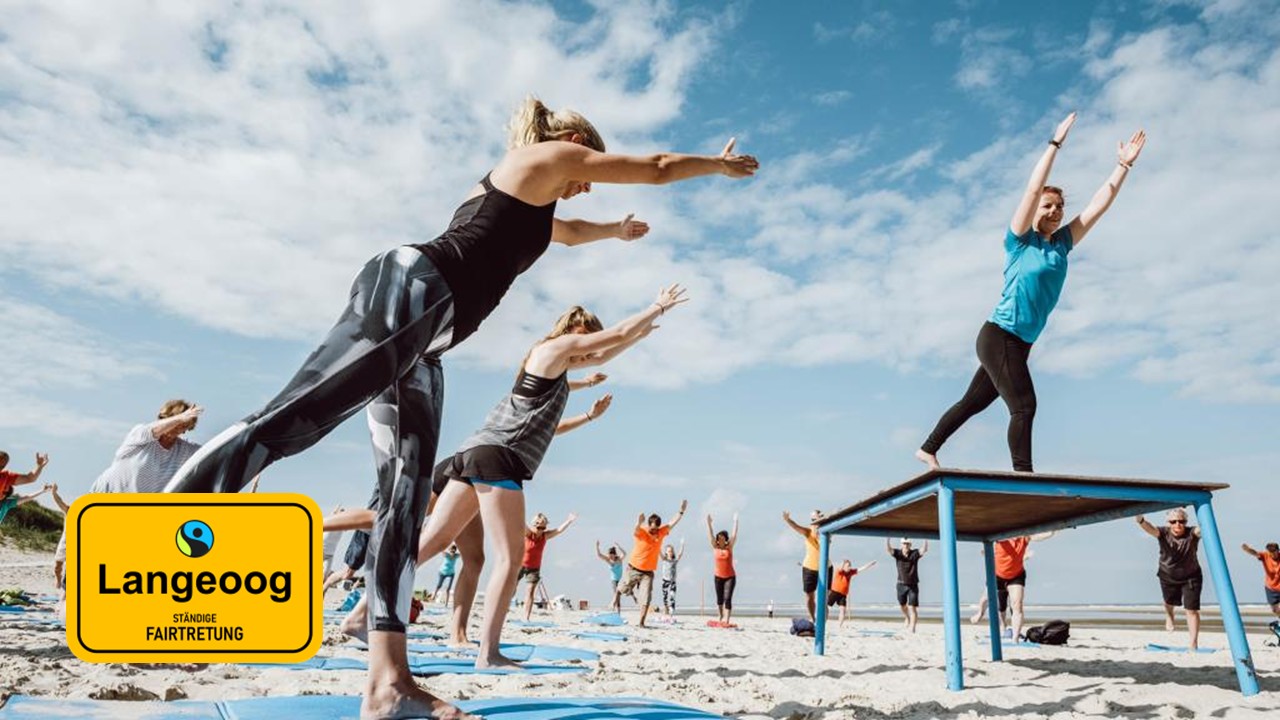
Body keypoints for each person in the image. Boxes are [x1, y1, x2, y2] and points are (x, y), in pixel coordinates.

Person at [163, 95, 757, 718]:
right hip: (414, 293)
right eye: (590, 160)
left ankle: (388, 684)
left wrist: (615, 232)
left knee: (404, 501)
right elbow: (658, 166)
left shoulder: (536, 207)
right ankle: (152, 541)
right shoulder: (542, 158)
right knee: (294, 421)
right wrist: (715, 169)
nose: (589, 180)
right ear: (576, 139)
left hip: (431, 335)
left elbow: (572, 234)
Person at [412, 291, 675, 668]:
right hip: (498, 457)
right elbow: (610, 338)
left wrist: (638, 336)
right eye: (584, 337)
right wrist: (656, 307)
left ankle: (367, 610)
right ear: (574, 328)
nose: (585, 350)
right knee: (510, 558)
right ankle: (488, 653)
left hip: (477, 451)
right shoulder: (554, 348)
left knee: (434, 542)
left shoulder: (554, 370)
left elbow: (603, 352)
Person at [917, 114, 1147, 472]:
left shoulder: (1063, 244)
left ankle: (928, 449)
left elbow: (1100, 205)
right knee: (1024, 406)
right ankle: (1024, 475)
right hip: (1000, 335)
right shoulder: (1019, 242)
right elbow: (1031, 189)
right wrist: (1055, 145)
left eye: (1059, 207)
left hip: (1019, 343)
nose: (1055, 212)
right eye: (1047, 206)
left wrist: (1122, 167)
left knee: (973, 402)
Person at [336, 379, 613, 648]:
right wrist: (587, 397)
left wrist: (588, 408)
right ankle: (322, 530)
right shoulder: (525, 405)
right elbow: (554, 397)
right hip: (464, 471)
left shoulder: (535, 413)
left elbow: (553, 424)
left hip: (475, 474)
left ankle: (457, 634)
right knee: (402, 525)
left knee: (472, 558)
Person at [98, 400, 204, 493]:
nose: (178, 427)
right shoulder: (140, 434)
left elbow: (211, 453)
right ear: (164, 419)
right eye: (175, 421)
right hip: (106, 498)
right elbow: (152, 430)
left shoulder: (186, 450)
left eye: (184, 425)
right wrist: (181, 418)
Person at [613, 500, 688, 628]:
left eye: (656, 528)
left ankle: (641, 623)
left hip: (648, 573)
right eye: (652, 528)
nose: (654, 531)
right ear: (649, 525)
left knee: (646, 598)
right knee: (622, 590)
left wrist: (681, 511)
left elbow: (672, 523)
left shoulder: (661, 532)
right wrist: (638, 522)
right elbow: (635, 529)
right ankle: (615, 599)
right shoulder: (642, 531)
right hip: (633, 568)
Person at [1138, 509, 1203, 650]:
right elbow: (1150, 529)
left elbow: (1202, 529)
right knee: (1169, 601)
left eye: (1181, 521)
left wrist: (1205, 518)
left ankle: (1193, 643)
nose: (1177, 525)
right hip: (1168, 575)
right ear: (1168, 523)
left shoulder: (1192, 533)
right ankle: (1169, 615)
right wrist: (1140, 520)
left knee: (1191, 610)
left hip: (1191, 576)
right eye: (1173, 522)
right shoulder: (1163, 532)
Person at [985, 532, 1054, 640]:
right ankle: (1003, 627)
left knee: (1017, 605)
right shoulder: (1001, 539)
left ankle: (1015, 637)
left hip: (1016, 576)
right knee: (1001, 606)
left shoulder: (1024, 538)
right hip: (999, 576)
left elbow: (1038, 536)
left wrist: (1053, 532)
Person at [518, 513, 578, 622]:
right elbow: (521, 522)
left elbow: (559, 530)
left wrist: (569, 521)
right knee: (511, 589)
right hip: (520, 565)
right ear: (533, 525)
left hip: (534, 568)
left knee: (530, 592)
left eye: (543, 527)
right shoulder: (528, 534)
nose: (540, 529)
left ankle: (526, 617)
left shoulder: (544, 536)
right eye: (538, 527)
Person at [782, 510, 827, 621]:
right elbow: (796, 527)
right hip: (809, 567)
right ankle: (813, 619)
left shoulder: (826, 531)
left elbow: (828, 540)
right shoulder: (808, 531)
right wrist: (788, 520)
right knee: (809, 596)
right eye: (813, 520)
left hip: (825, 567)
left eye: (817, 519)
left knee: (823, 597)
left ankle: (822, 622)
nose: (814, 522)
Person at [888, 538, 928, 633]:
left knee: (912, 607)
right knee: (902, 605)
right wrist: (887, 540)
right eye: (904, 544)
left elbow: (924, 550)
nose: (906, 545)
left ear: (910, 545)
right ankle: (907, 617)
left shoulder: (914, 553)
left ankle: (912, 628)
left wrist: (926, 539)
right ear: (901, 544)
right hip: (901, 584)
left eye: (907, 544)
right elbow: (889, 550)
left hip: (913, 585)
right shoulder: (898, 554)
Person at [706, 513, 739, 627]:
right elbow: (710, 535)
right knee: (719, 599)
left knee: (727, 598)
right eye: (718, 538)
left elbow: (734, 535)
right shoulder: (715, 547)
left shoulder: (729, 547)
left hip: (730, 577)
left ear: (725, 539)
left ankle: (727, 619)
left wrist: (735, 521)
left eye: (722, 538)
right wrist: (709, 523)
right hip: (718, 577)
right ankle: (721, 616)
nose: (720, 539)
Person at [826, 558, 877, 627]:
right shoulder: (839, 571)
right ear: (844, 567)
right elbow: (840, 568)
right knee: (826, 606)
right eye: (847, 566)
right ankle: (824, 620)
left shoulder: (851, 572)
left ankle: (839, 626)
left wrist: (870, 564)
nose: (849, 567)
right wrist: (843, 563)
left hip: (843, 594)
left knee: (843, 610)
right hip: (835, 592)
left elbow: (861, 569)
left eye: (850, 566)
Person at [1241, 542, 1280, 622]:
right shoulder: (1265, 556)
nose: (1272, 554)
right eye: (1270, 552)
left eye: (1274, 552)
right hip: (1270, 588)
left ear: (1278, 550)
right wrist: (1248, 549)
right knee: (1275, 610)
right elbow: (1255, 553)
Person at [595, 541, 627, 609]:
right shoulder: (608, 559)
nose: (610, 557)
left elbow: (625, 553)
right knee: (616, 594)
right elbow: (599, 555)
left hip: (621, 579)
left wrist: (619, 547)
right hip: (614, 580)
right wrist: (597, 546)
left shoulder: (619, 560)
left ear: (614, 554)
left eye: (611, 555)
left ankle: (614, 606)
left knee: (619, 594)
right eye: (609, 555)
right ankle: (614, 607)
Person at [659, 540, 686, 617]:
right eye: (668, 551)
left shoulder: (675, 560)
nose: (670, 552)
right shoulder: (664, 559)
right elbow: (659, 552)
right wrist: (658, 543)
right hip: (665, 581)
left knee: (672, 597)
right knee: (665, 597)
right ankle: (665, 611)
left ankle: (671, 613)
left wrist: (682, 545)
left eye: (671, 551)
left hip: (673, 581)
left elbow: (680, 554)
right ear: (666, 552)